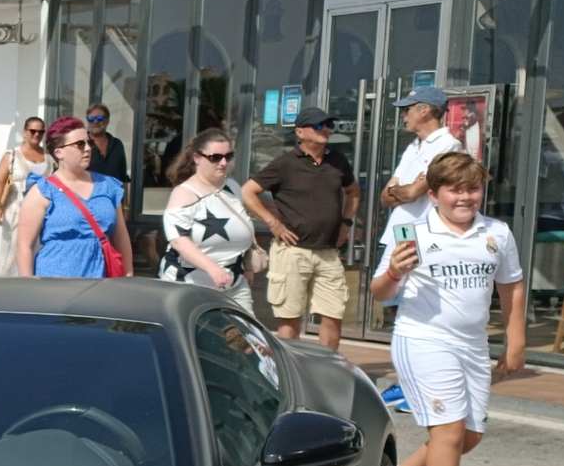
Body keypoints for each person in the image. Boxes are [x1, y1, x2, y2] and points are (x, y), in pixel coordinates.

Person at [370, 149, 527, 466]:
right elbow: (379, 292)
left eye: (473, 189)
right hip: (422, 339)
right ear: (435, 194)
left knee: (468, 438)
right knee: (449, 433)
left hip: (473, 345)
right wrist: (393, 274)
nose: (465, 198)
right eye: (455, 191)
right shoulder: (412, 233)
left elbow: (511, 287)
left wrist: (516, 342)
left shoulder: (498, 233)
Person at [243, 105, 359, 347]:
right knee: (290, 320)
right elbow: (248, 193)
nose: (325, 130)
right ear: (300, 132)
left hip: (328, 252)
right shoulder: (284, 164)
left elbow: (353, 192)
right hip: (292, 252)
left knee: (333, 316)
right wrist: (273, 223)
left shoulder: (337, 161)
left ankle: (328, 370)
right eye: (318, 125)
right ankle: (292, 373)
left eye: (328, 125)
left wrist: (346, 223)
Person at [17, 116, 133, 279]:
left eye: (88, 142)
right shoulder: (42, 191)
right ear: (59, 152)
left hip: (102, 281)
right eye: (80, 144)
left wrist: (128, 275)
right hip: (56, 284)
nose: (88, 148)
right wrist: (28, 286)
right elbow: (24, 246)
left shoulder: (108, 186)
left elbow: (120, 236)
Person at [158, 134, 252, 289]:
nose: (223, 163)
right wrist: (213, 268)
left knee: (244, 315)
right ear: (197, 157)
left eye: (228, 156)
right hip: (189, 282)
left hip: (234, 279)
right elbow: (178, 241)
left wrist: (247, 267)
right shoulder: (184, 193)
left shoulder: (233, 187)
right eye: (215, 157)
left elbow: (241, 226)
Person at [379, 85, 462, 211]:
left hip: (421, 228)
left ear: (424, 110)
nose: (402, 115)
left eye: (406, 109)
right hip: (399, 228)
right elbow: (384, 199)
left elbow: (412, 192)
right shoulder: (412, 146)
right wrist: (405, 189)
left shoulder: (449, 145)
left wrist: (394, 189)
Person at [0, 115, 48, 275]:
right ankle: (0, 291)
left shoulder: (50, 157)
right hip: (15, 211)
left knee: (35, 252)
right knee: (10, 254)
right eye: (33, 131)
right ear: (25, 132)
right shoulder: (12, 155)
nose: (37, 135)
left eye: (41, 132)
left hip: (42, 214)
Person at [84, 105, 133, 186]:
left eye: (99, 118)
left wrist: (125, 199)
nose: (95, 122)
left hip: (113, 198)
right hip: (89, 197)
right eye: (91, 119)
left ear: (107, 120)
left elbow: (123, 178)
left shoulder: (117, 144)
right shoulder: (81, 145)